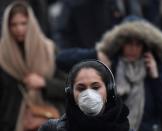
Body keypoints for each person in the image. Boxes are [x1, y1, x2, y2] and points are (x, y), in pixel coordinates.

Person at [95, 20, 162, 131]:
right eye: (129, 43)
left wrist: (156, 78)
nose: (133, 49)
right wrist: (104, 71)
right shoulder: (111, 66)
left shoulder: (153, 70)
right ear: (121, 44)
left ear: (144, 47)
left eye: (138, 44)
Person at [0, 2, 66, 131]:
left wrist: (44, 83)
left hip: (49, 119)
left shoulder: (49, 50)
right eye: (13, 24)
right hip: (11, 123)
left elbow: (68, 86)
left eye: (23, 23)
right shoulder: (3, 55)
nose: (19, 29)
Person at [39, 60, 130, 131]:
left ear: (109, 90)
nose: (89, 94)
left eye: (95, 87)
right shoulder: (51, 129)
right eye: (81, 88)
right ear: (71, 94)